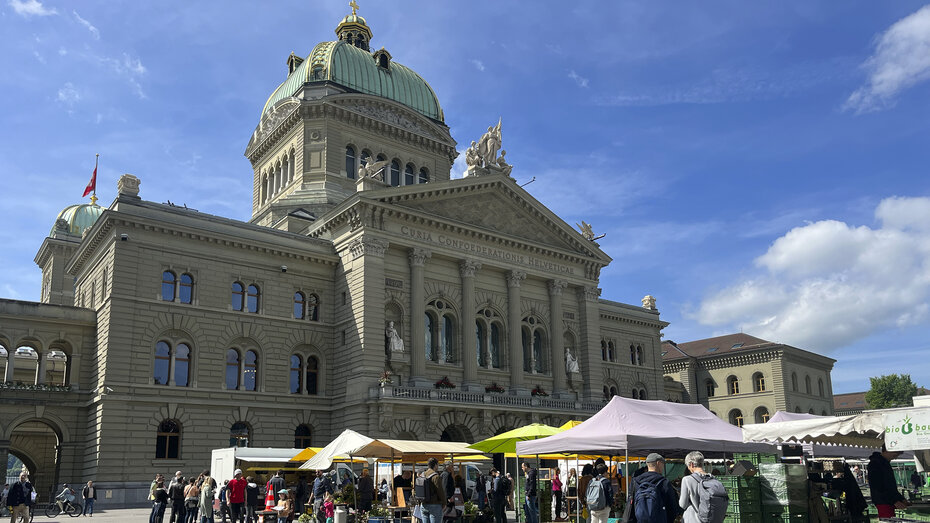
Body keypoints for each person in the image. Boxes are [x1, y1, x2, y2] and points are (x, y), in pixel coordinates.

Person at [679, 451, 728, 523]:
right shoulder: (713, 479)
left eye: (688, 466)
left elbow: (683, 505)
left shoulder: (687, 479)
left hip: (693, 519)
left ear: (691, 464)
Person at [630, 453, 679, 523]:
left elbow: (631, 504)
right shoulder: (664, 482)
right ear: (658, 463)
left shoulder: (636, 481)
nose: (663, 467)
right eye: (663, 464)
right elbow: (672, 507)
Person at [868, 445, 909, 518]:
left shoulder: (884, 463)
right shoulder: (875, 464)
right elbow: (878, 486)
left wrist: (901, 499)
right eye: (895, 455)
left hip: (887, 501)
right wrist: (894, 501)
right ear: (888, 450)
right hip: (883, 501)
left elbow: (890, 486)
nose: (895, 457)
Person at [420, 457, 446, 523]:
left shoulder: (422, 475)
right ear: (435, 465)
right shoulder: (436, 476)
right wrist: (444, 503)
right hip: (434, 504)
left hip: (423, 504)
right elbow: (440, 491)